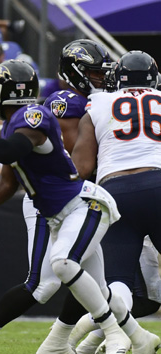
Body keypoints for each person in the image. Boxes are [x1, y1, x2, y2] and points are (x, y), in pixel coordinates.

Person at [0, 59, 145, 354]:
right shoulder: (14, 122)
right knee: (96, 288)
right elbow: (9, 181)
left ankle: (114, 334)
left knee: (62, 264)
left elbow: (9, 151)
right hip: (58, 214)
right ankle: (138, 339)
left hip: (83, 205)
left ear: (3, 92)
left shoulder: (33, 115)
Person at [70, 50, 161, 353]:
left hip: (114, 192)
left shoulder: (96, 103)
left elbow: (80, 167)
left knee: (119, 280)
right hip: (158, 182)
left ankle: (111, 341)